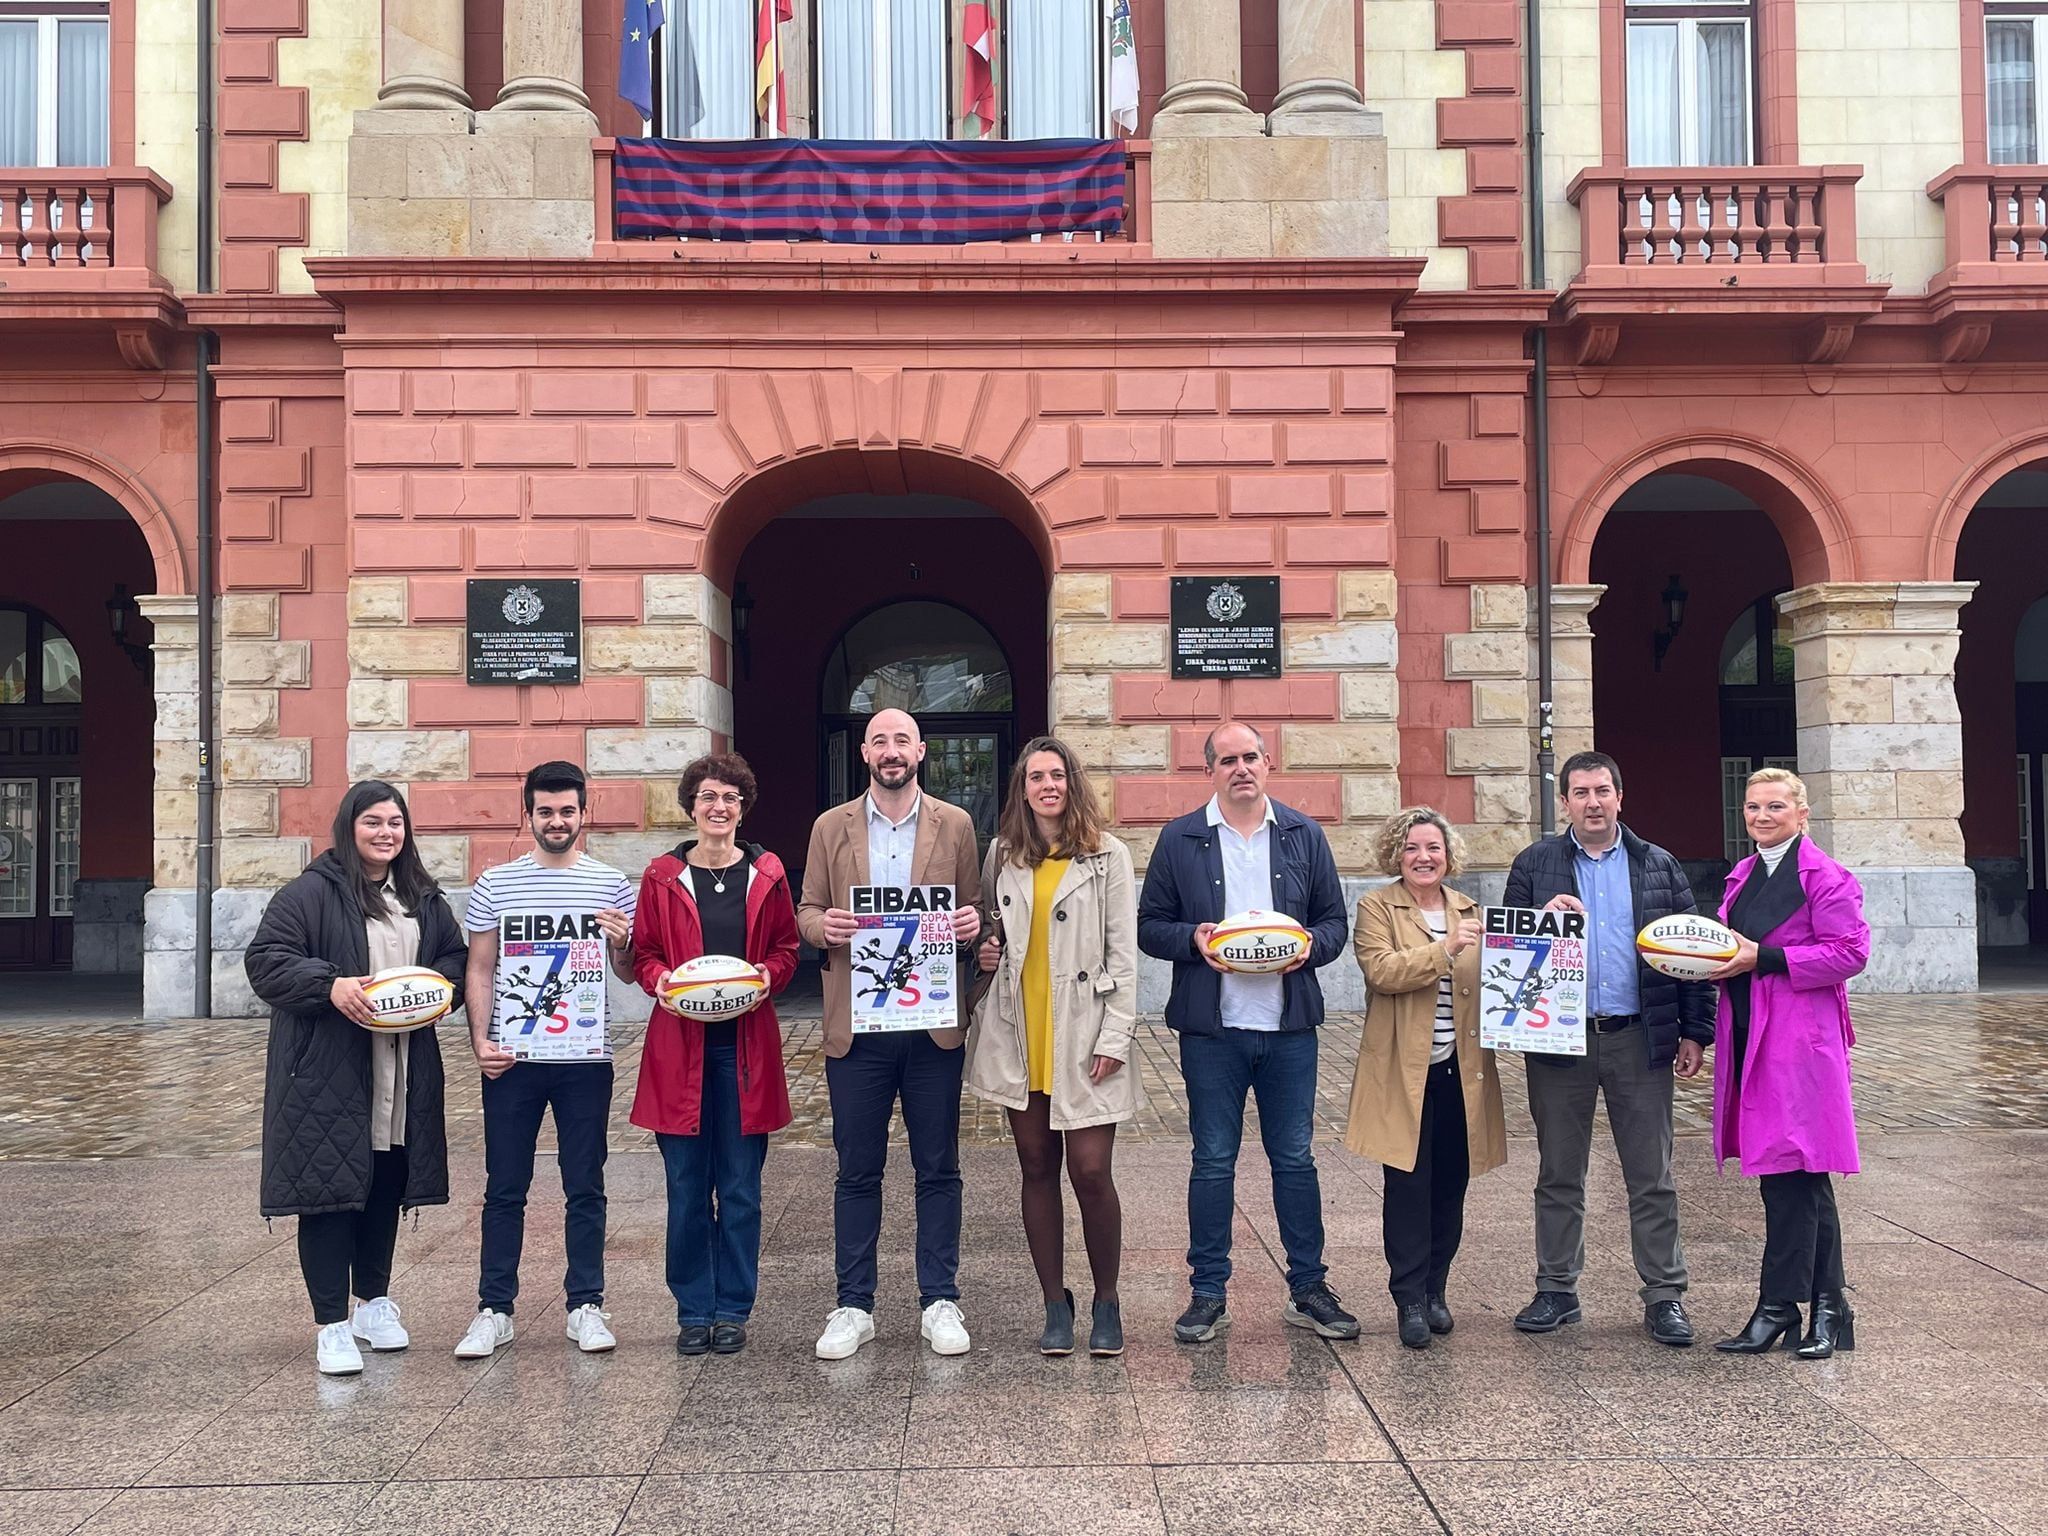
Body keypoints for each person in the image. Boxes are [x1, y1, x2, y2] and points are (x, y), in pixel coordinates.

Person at [1137, 721, 1359, 1344]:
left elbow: (1334, 923)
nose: (1241, 768)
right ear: (1208, 770)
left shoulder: (1302, 834)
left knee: (1294, 1158)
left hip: (1289, 1028)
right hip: (1213, 1030)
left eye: (1251, 757)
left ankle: (1308, 1288)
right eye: (1228, 759)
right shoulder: (1181, 838)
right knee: (1212, 1160)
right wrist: (1192, 938)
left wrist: (1311, 946)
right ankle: (1208, 1292)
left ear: (1269, 762)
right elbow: (1149, 925)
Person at [247, 781, 466, 1376]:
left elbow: (454, 956)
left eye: (395, 822)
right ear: (349, 826)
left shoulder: (419, 895)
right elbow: (266, 962)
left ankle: (373, 1303)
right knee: (328, 1193)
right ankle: (331, 1324)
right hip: (328, 1073)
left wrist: (436, 991)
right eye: (373, 822)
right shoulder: (310, 893)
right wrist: (330, 984)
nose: (386, 833)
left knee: (382, 1186)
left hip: (401, 1072)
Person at [1503, 750, 1715, 1347]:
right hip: (1560, 1043)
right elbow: (1506, 952)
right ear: (1564, 800)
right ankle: (1556, 1289)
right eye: (1580, 793)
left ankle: (1665, 1295)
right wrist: (1538, 919)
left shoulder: (1658, 865)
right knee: (1558, 1174)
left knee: (1652, 1175)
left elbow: (1693, 953)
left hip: (1639, 1039)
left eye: (1602, 791)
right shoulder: (1535, 862)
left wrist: (1697, 1032)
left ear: (1620, 797)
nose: (1592, 802)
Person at [798, 708, 983, 1360]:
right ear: (866, 754)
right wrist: (828, 930)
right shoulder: (831, 826)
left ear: (922, 751)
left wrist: (969, 930)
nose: (891, 750)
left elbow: (976, 913)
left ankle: (940, 1300)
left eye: (901, 739)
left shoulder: (956, 825)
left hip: (931, 1025)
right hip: (860, 1026)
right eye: (879, 740)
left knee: (939, 1168)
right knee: (857, 1170)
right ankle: (854, 1305)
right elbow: (807, 912)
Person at [965, 736, 1142, 1357]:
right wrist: (984, 952)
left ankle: (1107, 1300)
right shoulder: (1001, 854)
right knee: (1036, 1166)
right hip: (1021, 1029)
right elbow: (989, 936)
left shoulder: (1107, 855)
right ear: (1022, 787)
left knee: (1091, 1170)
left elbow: (1125, 953)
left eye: (1058, 775)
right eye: (1036, 776)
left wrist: (1117, 1034)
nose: (1048, 785)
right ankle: (1053, 1302)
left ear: (1072, 783)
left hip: (1084, 1029)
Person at [455, 761, 638, 1360]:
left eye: (567, 811)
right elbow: (479, 969)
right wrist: (481, 1041)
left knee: (585, 1182)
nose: (556, 821)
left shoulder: (612, 886)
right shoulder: (496, 885)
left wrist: (622, 944)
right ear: (528, 814)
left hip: (584, 1056)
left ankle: (586, 1304)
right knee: (505, 1184)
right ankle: (494, 1308)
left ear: (586, 814)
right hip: (513, 1056)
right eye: (545, 811)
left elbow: (626, 974)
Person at [630, 753, 801, 1358]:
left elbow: (785, 947)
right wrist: (660, 983)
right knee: (684, 1188)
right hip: (680, 1053)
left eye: (730, 797)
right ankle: (693, 1308)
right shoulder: (660, 877)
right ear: (691, 806)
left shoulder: (768, 874)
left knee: (740, 1189)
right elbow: (646, 952)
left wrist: (768, 975)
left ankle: (732, 1308)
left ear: (742, 806)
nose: (719, 807)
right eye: (708, 797)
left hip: (745, 1052)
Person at [1705, 768, 1870, 1358]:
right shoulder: (1745, 872)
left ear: (1802, 814)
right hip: (1753, 1032)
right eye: (1752, 807)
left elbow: (1850, 952)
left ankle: (1780, 1307)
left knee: (1793, 1171)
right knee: (1796, 1173)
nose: (1762, 816)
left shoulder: (1826, 877)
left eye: (1775, 806)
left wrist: (1764, 958)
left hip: (1799, 1042)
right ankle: (1829, 1307)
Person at [1345, 808, 1507, 1349]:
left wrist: (1545, 922)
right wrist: (1446, 948)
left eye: (1433, 848)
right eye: (1412, 847)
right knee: (1408, 1188)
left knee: (1450, 1188)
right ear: (1397, 853)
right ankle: (1408, 1298)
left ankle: (1437, 1289)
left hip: (1464, 1074)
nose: (1423, 857)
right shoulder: (1376, 906)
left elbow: (1505, 976)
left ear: (1448, 854)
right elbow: (1383, 972)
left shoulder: (1469, 909)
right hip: (1404, 1072)